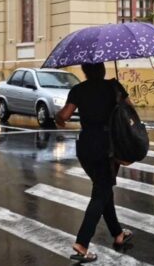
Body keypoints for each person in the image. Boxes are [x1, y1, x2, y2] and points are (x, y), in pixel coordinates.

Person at [55, 62, 134, 263]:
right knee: (101, 192)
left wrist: (59, 117)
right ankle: (82, 244)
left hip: (86, 147)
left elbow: (63, 116)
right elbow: (130, 111)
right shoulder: (114, 87)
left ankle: (118, 233)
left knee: (103, 188)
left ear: (84, 71)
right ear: (103, 69)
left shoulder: (78, 89)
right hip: (108, 147)